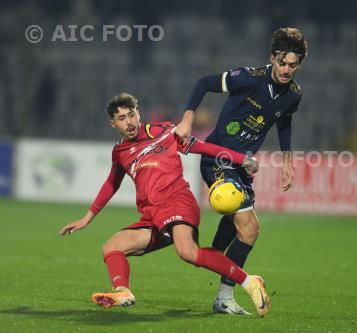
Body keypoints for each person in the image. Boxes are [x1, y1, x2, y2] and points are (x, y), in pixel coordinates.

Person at [59, 93, 270, 317]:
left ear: (139, 113)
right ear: (113, 123)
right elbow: (112, 183)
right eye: (122, 118)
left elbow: (203, 148)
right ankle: (122, 291)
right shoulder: (119, 152)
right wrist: (87, 218)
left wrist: (241, 159)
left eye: (131, 115)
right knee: (111, 247)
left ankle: (249, 281)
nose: (129, 122)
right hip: (152, 214)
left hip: (177, 201)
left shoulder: (165, 132)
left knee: (187, 251)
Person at [176, 27, 308, 314]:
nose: (286, 69)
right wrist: (187, 121)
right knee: (250, 229)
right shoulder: (249, 78)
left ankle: (209, 256)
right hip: (219, 158)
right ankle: (224, 294)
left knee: (230, 238)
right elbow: (202, 83)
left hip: (242, 165)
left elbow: (284, 121)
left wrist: (287, 161)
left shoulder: (293, 96)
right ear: (272, 58)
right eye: (282, 62)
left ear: (300, 64)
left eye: (293, 65)